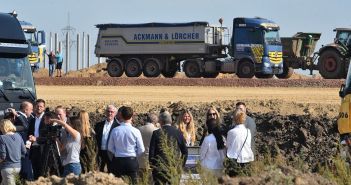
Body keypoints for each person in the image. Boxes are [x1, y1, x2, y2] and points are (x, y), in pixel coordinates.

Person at [107, 106, 145, 184]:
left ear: (121, 115)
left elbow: (110, 148)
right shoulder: (136, 131)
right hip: (131, 161)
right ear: (132, 116)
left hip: (118, 161)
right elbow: (141, 149)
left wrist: (117, 153)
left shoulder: (115, 130)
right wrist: (134, 155)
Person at [149, 111, 188, 185]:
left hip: (159, 168)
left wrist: (153, 167)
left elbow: (152, 153)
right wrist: (181, 165)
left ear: (160, 121)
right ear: (171, 121)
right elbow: (185, 151)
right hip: (174, 168)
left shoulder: (156, 133)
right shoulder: (178, 133)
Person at [8, 101, 34, 181]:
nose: (32, 111)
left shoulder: (26, 117)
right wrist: (16, 115)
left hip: (24, 147)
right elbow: (25, 127)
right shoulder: (19, 117)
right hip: (21, 149)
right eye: (31, 109)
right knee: (25, 169)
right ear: (25, 110)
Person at [225, 109, 254, 177]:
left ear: (234, 119)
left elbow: (228, 146)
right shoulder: (248, 132)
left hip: (234, 160)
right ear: (244, 119)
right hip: (247, 159)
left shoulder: (231, 132)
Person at [0, 119, 26, 185]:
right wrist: (16, 158)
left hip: (7, 168)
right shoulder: (18, 135)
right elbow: (24, 151)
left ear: (3, 127)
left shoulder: (2, 138)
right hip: (18, 167)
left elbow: (3, 156)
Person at [94, 105, 119, 173]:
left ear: (115, 113)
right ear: (105, 112)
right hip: (100, 154)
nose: (110, 113)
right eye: (108, 111)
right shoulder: (98, 125)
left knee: (111, 174)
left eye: (112, 112)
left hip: (111, 154)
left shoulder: (118, 126)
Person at [27, 99, 46, 180]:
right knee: (35, 172)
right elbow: (29, 132)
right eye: (37, 106)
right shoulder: (32, 120)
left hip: (43, 150)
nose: (39, 108)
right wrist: (30, 137)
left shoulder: (46, 119)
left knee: (43, 173)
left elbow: (47, 136)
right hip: (34, 149)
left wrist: (36, 139)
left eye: (41, 106)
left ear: (44, 108)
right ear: (34, 107)